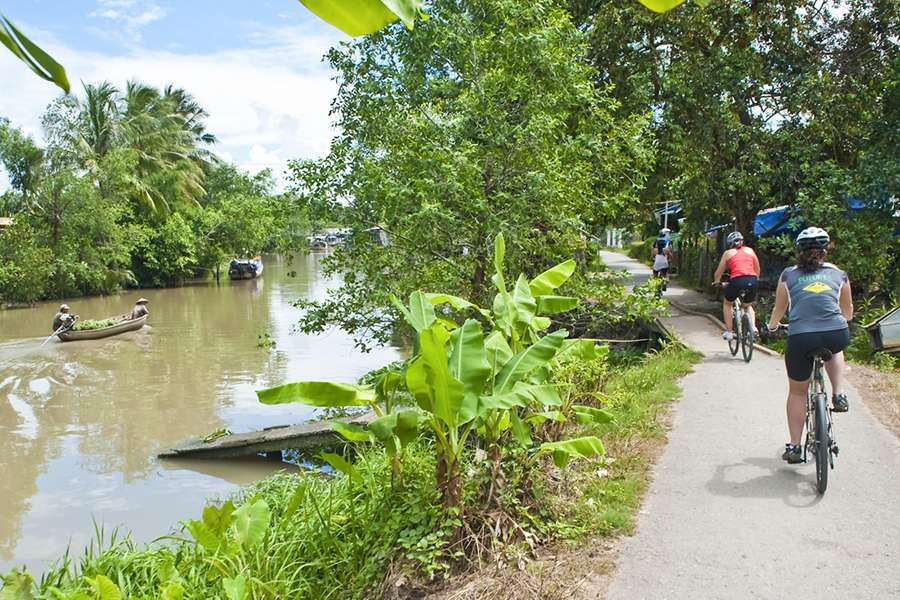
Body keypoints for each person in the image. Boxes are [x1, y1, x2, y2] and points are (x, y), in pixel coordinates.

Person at [765, 227, 853, 464]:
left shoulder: (788, 275)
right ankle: (839, 393)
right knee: (835, 346)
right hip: (835, 332)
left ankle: (794, 447)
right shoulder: (839, 274)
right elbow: (848, 312)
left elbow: (779, 309)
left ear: (799, 251)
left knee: (797, 392)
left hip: (801, 337)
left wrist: (772, 327)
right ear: (825, 251)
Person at [712, 231, 760, 340]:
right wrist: (755, 279)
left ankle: (729, 332)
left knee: (727, 303)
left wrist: (716, 281)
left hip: (737, 280)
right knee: (747, 305)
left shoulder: (728, 253)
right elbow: (757, 269)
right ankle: (753, 327)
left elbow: (719, 272)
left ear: (730, 243)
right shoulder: (750, 250)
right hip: (752, 280)